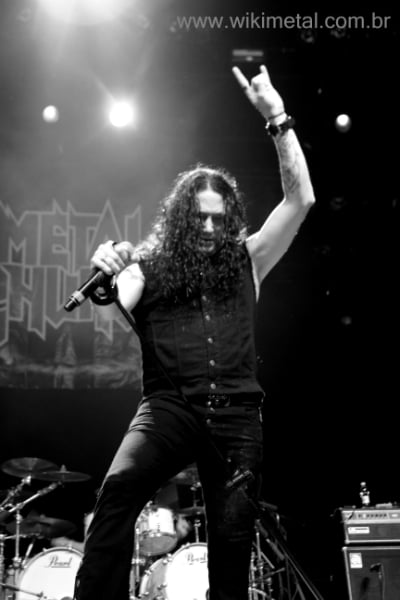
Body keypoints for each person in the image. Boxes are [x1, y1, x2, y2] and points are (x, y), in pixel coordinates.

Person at [73, 63, 315, 600]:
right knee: (117, 491)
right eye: (199, 218)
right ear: (182, 218)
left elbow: (301, 201)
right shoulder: (148, 265)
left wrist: (277, 118)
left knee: (233, 547)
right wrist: (107, 271)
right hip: (168, 410)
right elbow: (112, 306)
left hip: (237, 416)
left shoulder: (249, 258)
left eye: (218, 218)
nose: (209, 227)